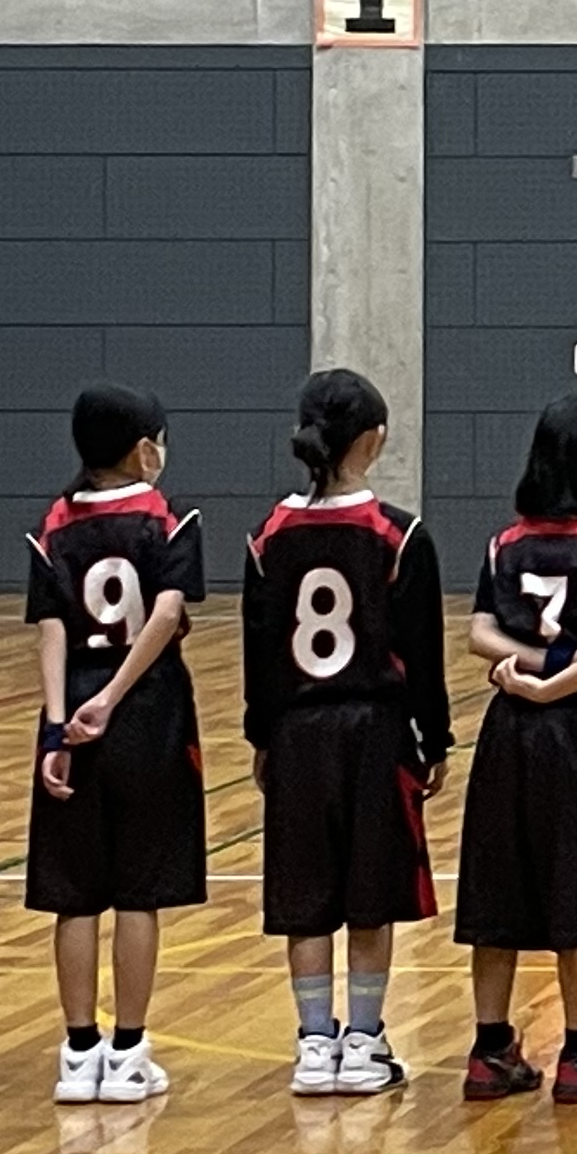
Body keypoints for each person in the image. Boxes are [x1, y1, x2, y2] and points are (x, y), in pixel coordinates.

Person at [242, 370, 453, 1098]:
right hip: (374, 732)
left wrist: (262, 737)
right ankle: (362, 1041)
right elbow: (422, 651)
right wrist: (435, 740)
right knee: (370, 891)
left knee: (305, 894)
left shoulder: (269, 535)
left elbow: (259, 650)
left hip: (297, 732)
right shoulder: (398, 534)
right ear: (374, 440)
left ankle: (313, 1044)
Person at [457, 395, 577, 1105]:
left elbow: (481, 634)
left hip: (509, 728)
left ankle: (490, 1051)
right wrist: (561, 681)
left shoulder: (505, 543)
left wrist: (531, 675)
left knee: (498, 884)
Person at [25, 385, 206, 1105]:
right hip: (146, 710)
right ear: (144, 448)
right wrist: (113, 697)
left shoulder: (54, 524)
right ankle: (128, 1051)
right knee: (138, 891)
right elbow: (165, 613)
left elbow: (50, 631)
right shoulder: (167, 518)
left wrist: (57, 724)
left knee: (75, 893)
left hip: (72, 708)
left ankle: (78, 1054)